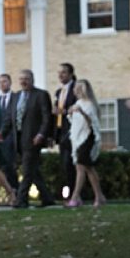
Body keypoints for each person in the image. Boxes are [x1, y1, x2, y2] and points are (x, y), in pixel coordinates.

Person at [12, 69, 53, 208]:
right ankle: (47, 198)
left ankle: (21, 200)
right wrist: (2, 133)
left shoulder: (41, 95)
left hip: (33, 138)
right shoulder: (16, 96)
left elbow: (47, 117)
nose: (23, 81)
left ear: (32, 80)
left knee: (27, 169)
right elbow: (10, 118)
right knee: (33, 170)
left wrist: (41, 134)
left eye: (26, 79)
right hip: (18, 139)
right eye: (21, 79)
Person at [68, 78, 106, 208]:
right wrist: (71, 112)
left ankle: (74, 197)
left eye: (80, 88)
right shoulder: (78, 102)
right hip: (77, 138)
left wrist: (82, 112)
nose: (77, 90)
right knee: (87, 168)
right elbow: (74, 122)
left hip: (87, 138)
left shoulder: (89, 104)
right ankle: (99, 196)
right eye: (76, 88)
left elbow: (92, 123)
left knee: (81, 166)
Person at [0, 72, 22, 202]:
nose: (2, 84)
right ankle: (13, 192)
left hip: (14, 136)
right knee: (4, 166)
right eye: (0, 82)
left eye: (4, 81)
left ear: (10, 82)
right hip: (1, 139)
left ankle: (17, 192)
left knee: (13, 165)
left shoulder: (18, 97)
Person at [52, 62, 79, 204]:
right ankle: (67, 195)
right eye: (59, 73)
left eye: (63, 72)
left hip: (74, 130)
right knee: (64, 164)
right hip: (61, 131)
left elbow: (79, 107)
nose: (60, 75)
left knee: (72, 164)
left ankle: (75, 195)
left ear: (70, 74)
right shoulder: (59, 92)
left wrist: (65, 110)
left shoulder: (76, 89)